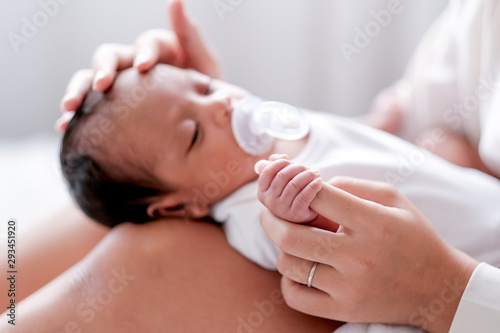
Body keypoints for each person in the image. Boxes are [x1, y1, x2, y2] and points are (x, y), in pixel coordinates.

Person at [3, 1, 499, 333]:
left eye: (206, 89)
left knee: (146, 250)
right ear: (182, 204)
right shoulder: (250, 205)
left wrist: (452, 288)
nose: (222, 105)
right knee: (109, 217)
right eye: (193, 132)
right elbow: (296, 243)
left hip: (459, 278)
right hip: (415, 246)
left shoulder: (252, 155)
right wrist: (384, 125)